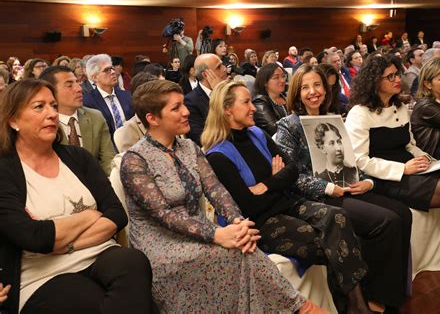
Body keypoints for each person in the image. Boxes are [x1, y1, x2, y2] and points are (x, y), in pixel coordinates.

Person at [120, 79, 325, 314]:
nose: (187, 112)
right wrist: (216, 233)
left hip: (197, 231)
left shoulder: (189, 148)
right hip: (161, 243)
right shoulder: (135, 159)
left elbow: (217, 191)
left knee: (244, 245)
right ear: (152, 118)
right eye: (176, 108)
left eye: (184, 105)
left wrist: (238, 224)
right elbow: (163, 215)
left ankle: (297, 308)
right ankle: (301, 308)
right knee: (241, 252)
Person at [202, 80, 376, 314]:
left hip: (287, 204)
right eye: (246, 103)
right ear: (226, 110)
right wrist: (277, 179)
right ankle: (354, 304)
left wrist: (267, 184)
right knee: (330, 242)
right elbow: (249, 205)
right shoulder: (218, 155)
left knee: (339, 217)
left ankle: (355, 306)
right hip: (260, 222)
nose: (253, 108)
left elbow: (292, 169)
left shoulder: (256, 133)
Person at [0, 79, 155, 314]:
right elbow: (35, 238)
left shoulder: (78, 157)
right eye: (39, 107)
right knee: (93, 298)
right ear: (13, 120)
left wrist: (66, 244)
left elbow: (116, 214)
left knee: (133, 261)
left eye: (53, 106)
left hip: (97, 252)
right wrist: (90, 215)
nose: (52, 114)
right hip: (43, 272)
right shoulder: (5, 170)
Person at [275, 64, 412, 313]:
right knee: (387, 220)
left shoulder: (334, 117)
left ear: (326, 90)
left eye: (317, 85)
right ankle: (377, 297)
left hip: (347, 187)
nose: (313, 91)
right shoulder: (289, 125)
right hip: (318, 196)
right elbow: (290, 175)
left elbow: (351, 161)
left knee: (403, 212)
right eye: (305, 87)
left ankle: (392, 294)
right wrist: (328, 188)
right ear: (296, 92)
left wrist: (367, 181)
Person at [345, 54, 440, 295]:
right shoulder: (359, 113)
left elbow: (409, 144)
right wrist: (403, 168)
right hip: (387, 177)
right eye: (390, 76)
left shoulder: (400, 107)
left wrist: (424, 157)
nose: (397, 80)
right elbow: (360, 161)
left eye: (397, 74)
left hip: (412, 166)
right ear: (374, 81)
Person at [40, 66, 116, 175]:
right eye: (69, 85)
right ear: (51, 92)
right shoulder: (44, 123)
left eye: (77, 82)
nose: (79, 89)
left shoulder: (95, 117)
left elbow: (108, 160)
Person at [252, 63, 288, 136]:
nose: (282, 80)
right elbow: (274, 129)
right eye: (276, 77)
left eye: (283, 76)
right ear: (265, 82)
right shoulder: (259, 102)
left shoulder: (286, 97)